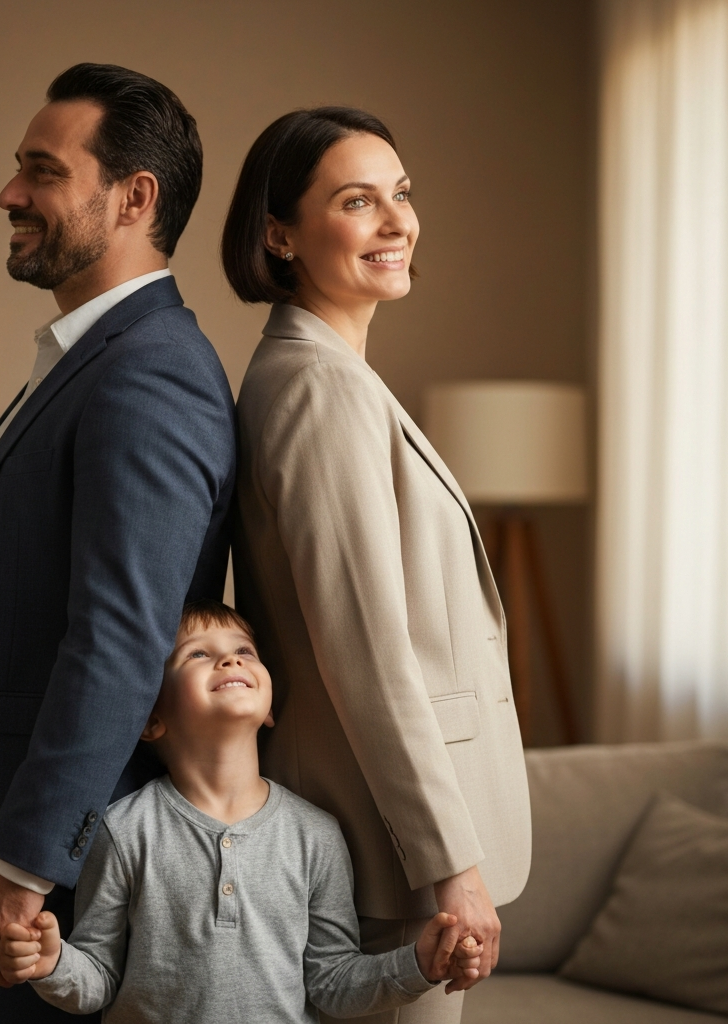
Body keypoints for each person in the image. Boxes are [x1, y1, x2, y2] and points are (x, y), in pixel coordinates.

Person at [0, 64, 237, 1024]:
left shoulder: (151, 375)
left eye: (42, 171)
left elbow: (123, 640)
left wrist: (20, 868)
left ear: (135, 197)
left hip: (76, 881)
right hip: (54, 870)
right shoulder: (97, 356)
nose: (10, 192)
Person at [223, 108, 533, 1024]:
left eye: (401, 194)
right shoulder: (315, 387)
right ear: (279, 234)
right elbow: (366, 654)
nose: (399, 222)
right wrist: (448, 865)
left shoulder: (330, 373)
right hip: (391, 858)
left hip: (390, 848)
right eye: (359, 201)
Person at [0, 601, 485, 1022]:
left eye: (244, 651)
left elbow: (333, 981)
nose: (229, 658)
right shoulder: (123, 830)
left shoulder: (315, 834)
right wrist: (53, 961)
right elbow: (99, 978)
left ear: (270, 707)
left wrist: (418, 963)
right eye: (198, 654)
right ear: (151, 719)